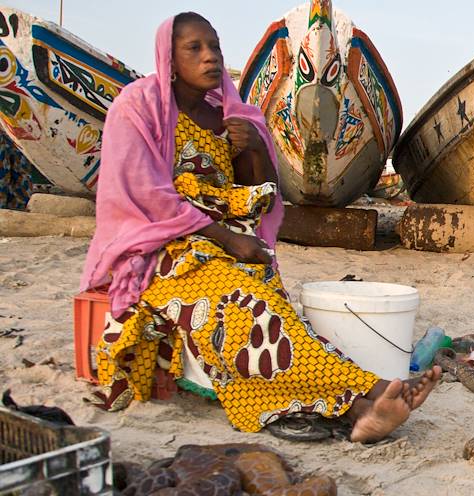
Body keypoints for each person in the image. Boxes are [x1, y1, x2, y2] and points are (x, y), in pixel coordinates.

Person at [79, 13, 440, 443]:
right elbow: (145, 194)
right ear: (169, 58)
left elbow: (260, 195)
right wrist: (228, 239)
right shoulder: (138, 106)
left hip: (223, 245)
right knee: (246, 303)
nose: (210, 57)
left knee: (274, 312)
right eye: (195, 48)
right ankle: (372, 390)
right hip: (157, 252)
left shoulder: (232, 116)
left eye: (215, 46)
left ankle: (360, 410)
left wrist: (252, 150)